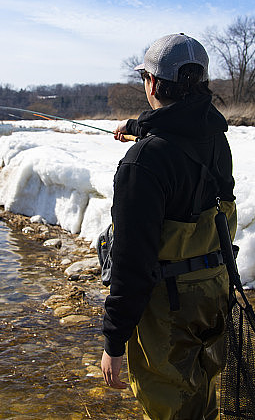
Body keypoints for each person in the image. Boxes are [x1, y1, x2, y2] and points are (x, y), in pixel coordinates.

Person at [100, 33, 237, 419]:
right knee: (202, 397)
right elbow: (183, 136)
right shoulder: (216, 139)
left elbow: (132, 262)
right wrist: (143, 128)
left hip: (168, 308)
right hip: (214, 293)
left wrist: (114, 340)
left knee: (171, 409)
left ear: (154, 84)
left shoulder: (142, 164)